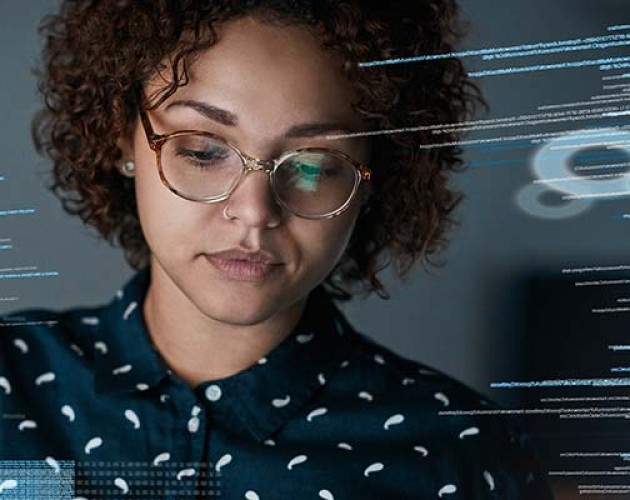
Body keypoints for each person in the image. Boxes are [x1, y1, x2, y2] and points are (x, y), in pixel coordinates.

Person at [0, 1, 554, 498]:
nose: (255, 211)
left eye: (313, 165)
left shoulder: (461, 454)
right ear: (123, 137)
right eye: (202, 150)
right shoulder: (11, 386)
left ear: (372, 179)